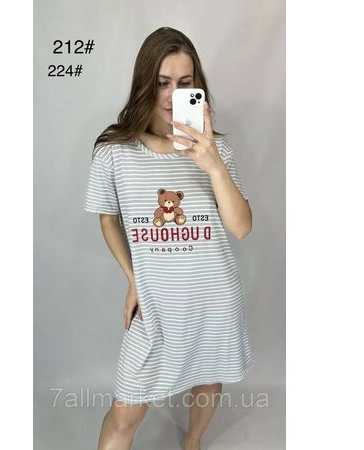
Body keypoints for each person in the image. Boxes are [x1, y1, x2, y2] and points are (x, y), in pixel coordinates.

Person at [83, 26, 255, 450]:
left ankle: (193, 441)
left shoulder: (217, 152)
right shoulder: (114, 150)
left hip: (213, 298)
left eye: (184, 82)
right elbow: (108, 219)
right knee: (124, 415)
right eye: (162, 82)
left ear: (198, 86)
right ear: (145, 82)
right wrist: (134, 278)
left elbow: (241, 227)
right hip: (157, 305)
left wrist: (212, 164)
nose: (172, 94)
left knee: (208, 378)